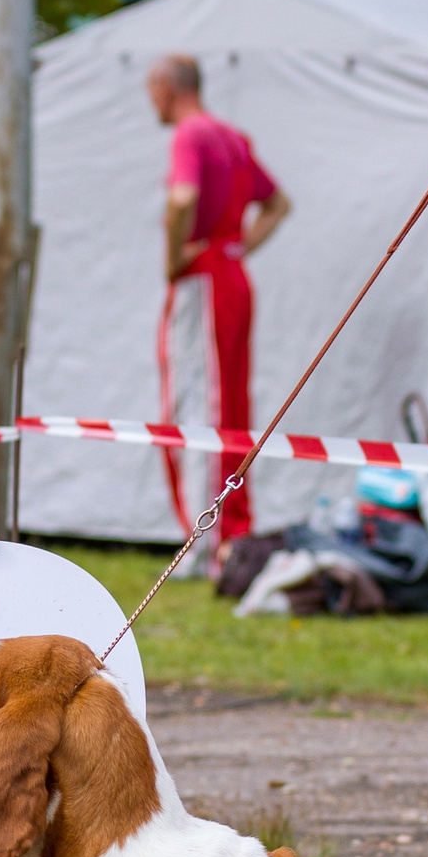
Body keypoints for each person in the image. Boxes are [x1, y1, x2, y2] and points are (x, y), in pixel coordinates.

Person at [147, 53, 290, 549]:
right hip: (230, 275)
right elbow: (277, 204)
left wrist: (174, 257)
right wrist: (238, 247)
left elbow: (183, 198)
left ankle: (206, 540)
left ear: (165, 88)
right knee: (229, 404)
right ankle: (229, 532)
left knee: (197, 405)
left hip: (203, 281)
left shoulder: (191, 134)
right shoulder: (232, 137)